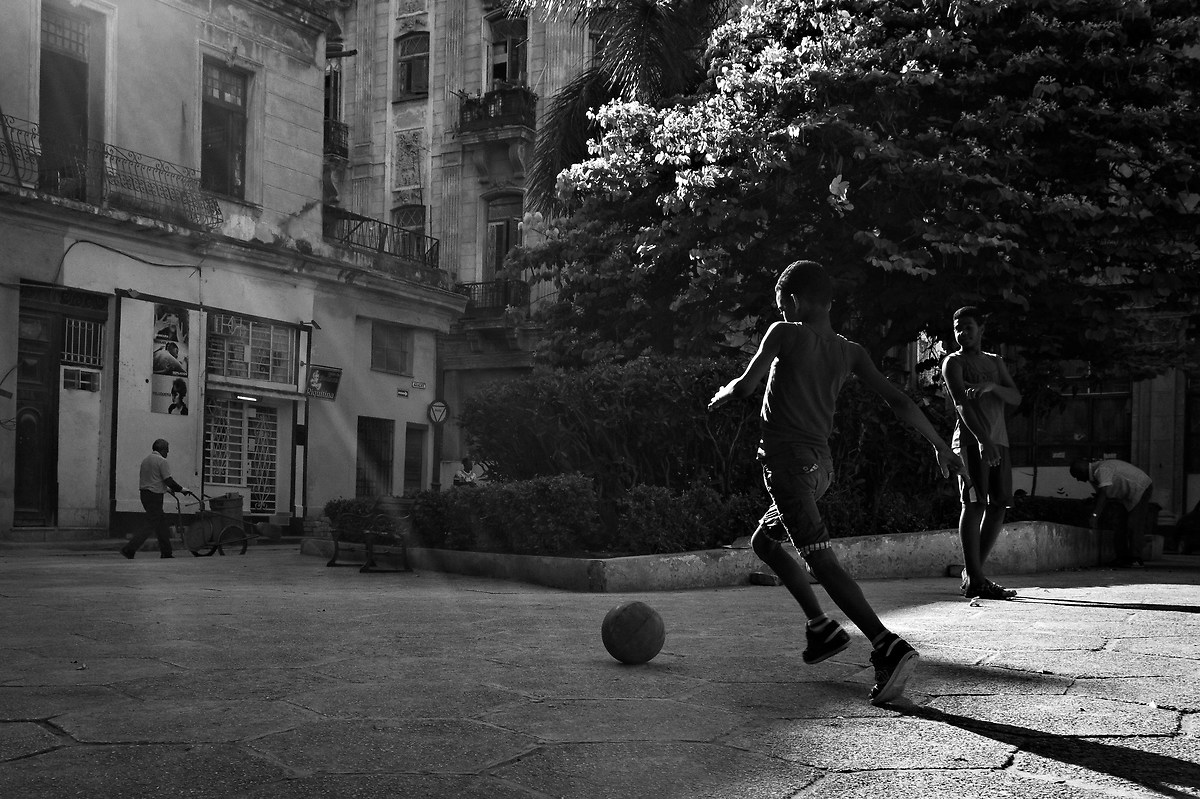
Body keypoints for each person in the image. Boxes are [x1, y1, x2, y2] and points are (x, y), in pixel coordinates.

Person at [709, 260, 963, 705]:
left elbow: (748, 387)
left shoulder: (784, 333)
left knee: (820, 560)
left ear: (791, 301)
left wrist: (726, 391)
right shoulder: (851, 351)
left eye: (781, 305)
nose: (782, 312)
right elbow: (899, 400)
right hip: (820, 471)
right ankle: (821, 628)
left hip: (789, 470)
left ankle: (886, 644)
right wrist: (940, 444)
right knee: (765, 544)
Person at [941, 306, 1022, 600]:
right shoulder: (954, 362)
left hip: (999, 441)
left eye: (968, 327)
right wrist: (983, 441)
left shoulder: (996, 363)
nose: (963, 333)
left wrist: (992, 386)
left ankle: (974, 574)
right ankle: (976, 580)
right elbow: (961, 404)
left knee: (999, 504)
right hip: (971, 443)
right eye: (957, 328)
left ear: (981, 329)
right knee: (974, 505)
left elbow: (1016, 396)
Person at [1070, 457, 1154, 567]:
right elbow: (1104, 495)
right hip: (1126, 495)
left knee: (1134, 524)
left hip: (1141, 487)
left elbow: (1104, 494)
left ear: (1081, 471)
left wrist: (1095, 516)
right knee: (1120, 525)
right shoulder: (1095, 475)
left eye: (1077, 477)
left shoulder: (1101, 469)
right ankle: (1122, 557)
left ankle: (1135, 558)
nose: (1079, 480)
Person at [121, 439, 190, 559]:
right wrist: (182, 489)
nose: (167, 453)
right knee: (151, 524)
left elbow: (153, 479)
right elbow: (168, 480)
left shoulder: (146, 460)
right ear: (162, 449)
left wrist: (166, 489)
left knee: (161, 524)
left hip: (145, 495)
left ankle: (166, 552)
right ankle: (129, 549)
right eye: (167, 450)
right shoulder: (162, 461)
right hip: (155, 496)